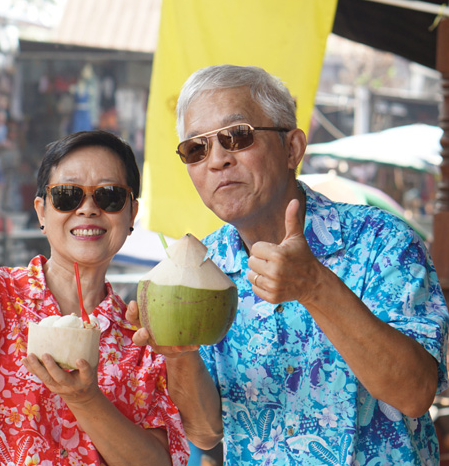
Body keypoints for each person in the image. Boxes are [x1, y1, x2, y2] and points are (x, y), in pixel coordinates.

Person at [127, 65, 449, 465]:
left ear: (293, 148)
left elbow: (415, 393)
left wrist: (316, 286)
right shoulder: (201, 269)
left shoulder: (382, 240)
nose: (218, 160)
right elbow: (207, 433)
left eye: (237, 136)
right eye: (197, 148)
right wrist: (179, 355)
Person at [0, 130, 189, 465]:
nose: (88, 209)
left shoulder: (141, 338)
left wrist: (86, 399)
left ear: (131, 213)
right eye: (68, 195)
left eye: (109, 196)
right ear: (41, 211)